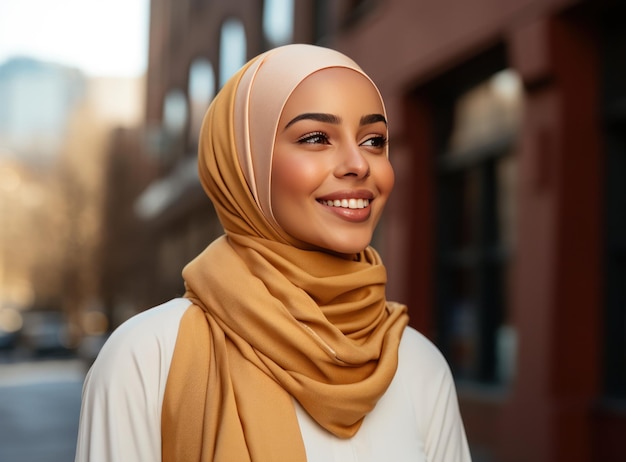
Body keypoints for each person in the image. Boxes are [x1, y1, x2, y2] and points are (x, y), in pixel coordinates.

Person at [75, 44, 472, 462]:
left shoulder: (417, 364)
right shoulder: (148, 358)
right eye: (317, 138)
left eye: (374, 140)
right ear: (245, 165)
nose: (358, 163)